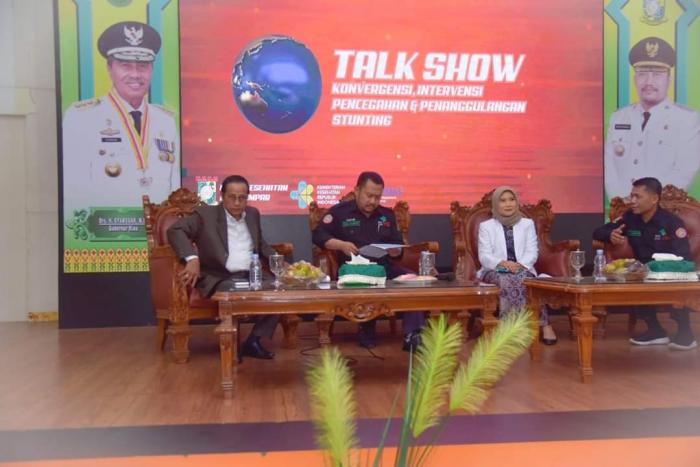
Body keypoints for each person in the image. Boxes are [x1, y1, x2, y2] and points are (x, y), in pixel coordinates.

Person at [63, 21, 179, 213]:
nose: (135, 74)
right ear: (110, 68)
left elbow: (174, 187)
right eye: (126, 66)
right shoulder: (82, 117)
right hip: (105, 228)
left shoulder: (165, 121)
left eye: (143, 66)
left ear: (151, 69)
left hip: (158, 229)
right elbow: (73, 192)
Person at [167, 175, 279, 359]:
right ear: (222, 196)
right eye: (232, 197)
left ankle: (254, 341)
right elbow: (175, 230)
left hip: (251, 274)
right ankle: (230, 346)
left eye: (242, 197)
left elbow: (261, 244)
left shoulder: (252, 214)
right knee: (232, 292)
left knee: (279, 291)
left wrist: (280, 263)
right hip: (219, 276)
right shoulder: (206, 215)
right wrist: (192, 258)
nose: (237, 202)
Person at [312, 171, 424, 351]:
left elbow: (397, 247)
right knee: (366, 282)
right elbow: (318, 235)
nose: (372, 201)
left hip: (383, 268)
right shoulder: (339, 212)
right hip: (353, 270)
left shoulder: (387, 215)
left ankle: (412, 334)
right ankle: (366, 328)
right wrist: (341, 245)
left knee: (413, 280)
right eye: (369, 195)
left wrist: (395, 251)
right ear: (357, 191)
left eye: (377, 197)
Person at [593, 177, 696, 350]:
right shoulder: (630, 218)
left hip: (670, 271)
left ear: (654, 199)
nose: (632, 201)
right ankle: (655, 331)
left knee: (676, 282)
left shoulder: (672, 223)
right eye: (631, 196)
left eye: (638, 197)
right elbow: (598, 231)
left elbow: (683, 256)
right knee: (634, 277)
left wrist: (663, 269)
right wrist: (610, 235)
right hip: (644, 272)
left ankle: (686, 333)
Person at [604, 37, 700, 200]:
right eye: (642, 74)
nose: (649, 82)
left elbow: (684, 171)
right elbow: (610, 168)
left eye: (657, 74)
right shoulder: (619, 117)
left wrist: (647, 203)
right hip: (622, 207)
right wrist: (620, 202)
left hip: (663, 209)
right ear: (635, 79)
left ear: (668, 80)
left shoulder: (686, 119)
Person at [477, 186, 557, 345]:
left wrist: (520, 265)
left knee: (530, 282)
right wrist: (502, 263)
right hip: (494, 270)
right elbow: (484, 255)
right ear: (496, 204)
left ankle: (544, 324)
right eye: (503, 200)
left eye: (512, 199)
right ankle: (510, 330)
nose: (508, 204)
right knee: (507, 279)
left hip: (522, 268)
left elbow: (532, 251)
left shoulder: (527, 224)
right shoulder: (486, 226)